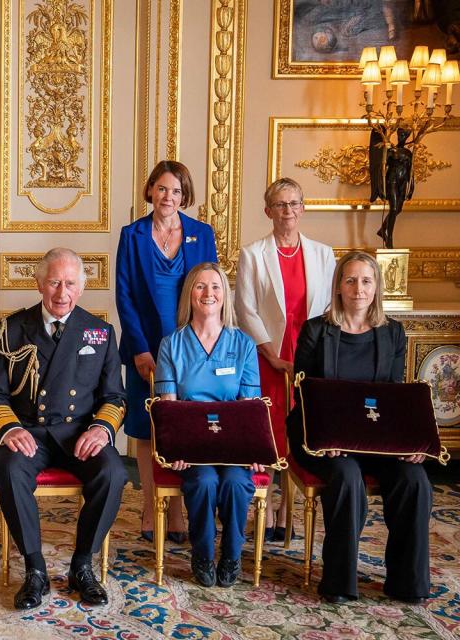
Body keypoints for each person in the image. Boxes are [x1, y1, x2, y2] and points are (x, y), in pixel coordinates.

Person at [0, 248, 127, 610]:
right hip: (28, 431)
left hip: (78, 434)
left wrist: (101, 430)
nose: (62, 292)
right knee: (10, 470)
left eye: (71, 283)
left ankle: (81, 565)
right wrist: (9, 429)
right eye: (55, 282)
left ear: (82, 288)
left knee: (114, 472)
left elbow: (115, 397)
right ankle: (35, 570)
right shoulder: (11, 328)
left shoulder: (100, 331)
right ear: (39, 284)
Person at [287, 251, 431, 605]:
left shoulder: (393, 333)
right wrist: (325, 438)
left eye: (366, 281)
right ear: (338, 286)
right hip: (323, 439)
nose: (358, 288)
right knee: (347, 476)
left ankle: (406, 582)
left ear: (376, 287)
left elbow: (395, 397)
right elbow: (302, 394)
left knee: (416, 480)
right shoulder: (317, 330)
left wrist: (409, 444)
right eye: (350, 280)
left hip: (377, 440)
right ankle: (339, 582)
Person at [116, 160, 218, 542]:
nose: (168, 197)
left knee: (185, 423)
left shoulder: (201, 234)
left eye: (176, 191)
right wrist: (141, 351)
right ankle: (151, 504)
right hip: (146, 345)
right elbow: (124, 296)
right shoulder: (133, 234)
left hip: (191, 346)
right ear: (150, 191)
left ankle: (179, 507)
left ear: (184, 196)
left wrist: (204, 344)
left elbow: (211, 289)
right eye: (162, 189)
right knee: (146, 429)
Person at [235, 177, 335, 541]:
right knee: (270, 431)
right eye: (280, 204)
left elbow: (328, 310)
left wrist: (307, 357)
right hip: (268, 357)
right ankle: (262, 504)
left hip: (309, 357)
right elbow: (244, 309)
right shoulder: (253, 254)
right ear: (268, 211)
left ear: (303, 208)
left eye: (294, 203)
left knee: (303, 433)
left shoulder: (324, 254)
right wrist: (272, 355)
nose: (288, 211)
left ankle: (286, 511)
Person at [154, 262, 264, 588]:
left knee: (233, 483)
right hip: (191, 449)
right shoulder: (171, 345)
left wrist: (253, 449)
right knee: (203, 482)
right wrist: (176, 447)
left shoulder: (242, 344)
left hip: (232, 448)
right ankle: (202, 553)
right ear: (190, 295)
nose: (208, 293)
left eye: (215, 286)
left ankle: (231, 555)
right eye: (200, 286)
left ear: (224, 295)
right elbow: (168, 407)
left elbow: (249, 407)